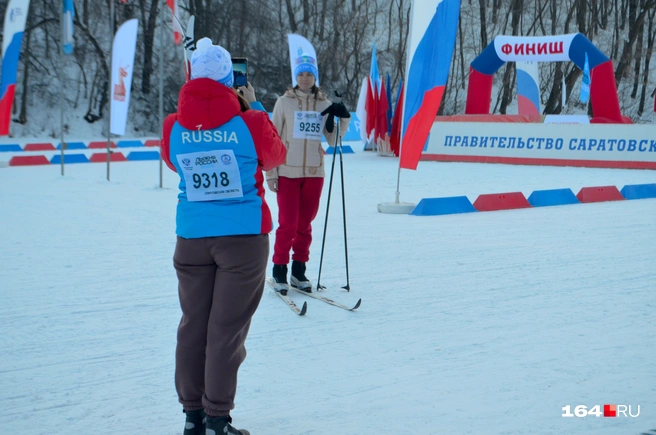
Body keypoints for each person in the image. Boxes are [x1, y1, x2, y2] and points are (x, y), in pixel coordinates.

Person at [161, 37, 286, 435]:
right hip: (242, 238)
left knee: (193, 324)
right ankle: (217, 420)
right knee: (225, 330)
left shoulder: (172, 126)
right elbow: (276, 155)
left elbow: (174, 162)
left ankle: (192, 416)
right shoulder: (249, 121)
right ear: (232, 83)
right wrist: (255, 106)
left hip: (192, 236)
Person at [266, 53, 350, 295]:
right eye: (301, 74)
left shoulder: (324, 105)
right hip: (287, 172)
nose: (304, 78)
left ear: (315, 77)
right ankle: (279, 269)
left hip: (314, 172)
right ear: (296, 77)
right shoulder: (284, 102)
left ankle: (298, 270)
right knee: (288, 224)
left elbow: (334, 140)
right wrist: (271, 174)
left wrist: (343, 117)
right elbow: (273, 138)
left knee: (305, 224)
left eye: (309, 74)